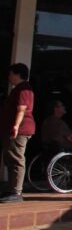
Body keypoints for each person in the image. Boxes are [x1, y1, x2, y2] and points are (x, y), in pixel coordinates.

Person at [1, 63, 35, 203]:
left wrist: (15, 126)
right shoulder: (19, 89)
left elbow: (22, 108)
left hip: (20, 130)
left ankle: (16, 192)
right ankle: (11, 189)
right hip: (14, 129)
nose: (9, 77)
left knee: (16, 159)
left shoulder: (24, 89)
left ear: (17, 74)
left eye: (10, 74)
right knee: (10, 159)